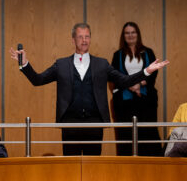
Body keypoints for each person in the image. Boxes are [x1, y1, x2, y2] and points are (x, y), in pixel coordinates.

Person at [10, 22, 169, 156]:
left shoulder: (102, 64)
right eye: (80, 37)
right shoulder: (61, 64)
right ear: (73, 40)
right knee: (71, 168)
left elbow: (124, 81)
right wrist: (24, 64)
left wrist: (146, 71)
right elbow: (38, 80)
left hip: (95, 123)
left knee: (93, 167)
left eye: (87, 36)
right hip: (69, 123)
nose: (84, 40)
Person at [110, 22, 162, 156]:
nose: (130, 35)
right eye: (127, 33)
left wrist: (140, 85)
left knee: (147, 134)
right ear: (123, 36)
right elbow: (114, 75)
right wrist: (131, 85)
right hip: (124, 103)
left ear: (137, 34)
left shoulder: (148, 52)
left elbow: (154, 72)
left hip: (145, 100)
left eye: (133, 32)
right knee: (126, 136)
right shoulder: (118, 55)